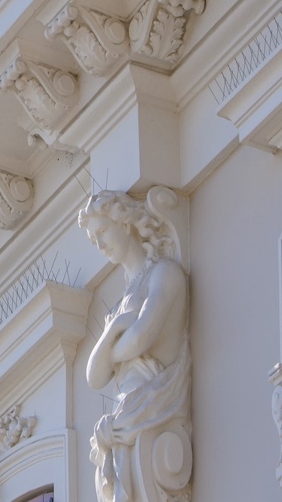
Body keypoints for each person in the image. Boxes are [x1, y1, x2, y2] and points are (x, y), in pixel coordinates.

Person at [79, 188, 192, 502]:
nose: (100, 245)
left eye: (103, 231)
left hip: (149, 407)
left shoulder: (165, 274)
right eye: (94, 239)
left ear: (125, 224)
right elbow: (94, 376)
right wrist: (115, 327)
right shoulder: (120, 308)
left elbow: (141, 337)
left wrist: (112, 350)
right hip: (127, 416)